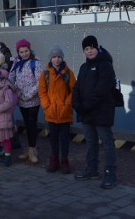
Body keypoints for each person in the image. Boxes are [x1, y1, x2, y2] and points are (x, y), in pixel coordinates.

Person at [73, 35, 118, 189]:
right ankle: (91, 169)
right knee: (91, 142)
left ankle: (110, 173)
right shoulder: (83, 68)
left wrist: (85, 105)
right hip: (86, 112)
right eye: (86, 49)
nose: (89, 51)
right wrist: (76, 103)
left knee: (107, 142)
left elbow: (103, 89)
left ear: (97, 48)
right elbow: (77, 88)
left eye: (92, 47)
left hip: (101, 111)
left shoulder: (105, 65)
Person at [39, 45, 76, 173]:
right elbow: (42, 92)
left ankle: (64, 160)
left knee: (65, 139)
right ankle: (54, 159)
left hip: (65, 113)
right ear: (50, 59)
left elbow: (74, 91)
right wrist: (47, 106)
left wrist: (67, 105)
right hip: (51, 114)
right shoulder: (45, 74)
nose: (57, 59)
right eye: (54, 57)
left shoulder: (69, 73)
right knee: (53, 139)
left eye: (59, 57)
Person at [8, 38, 42, 163]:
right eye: (21, 52)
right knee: (27, 124)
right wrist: (16, 92)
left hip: (33, 100)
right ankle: (28, 150)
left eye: (26, 51)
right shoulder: (16, 63)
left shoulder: (35, 63)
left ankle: (33, 151)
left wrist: (28, 94)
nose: (24, 54)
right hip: (21, 100)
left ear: (29, 50)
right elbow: (11, 78)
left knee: (32, 124)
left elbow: (39, 82)